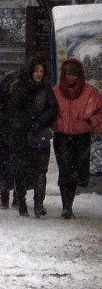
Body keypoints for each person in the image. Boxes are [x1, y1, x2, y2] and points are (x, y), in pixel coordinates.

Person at [0, 57, 59, 217]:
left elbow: (53, 108)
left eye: (41, 71)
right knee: (20, 171)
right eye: (36, 71)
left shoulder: (46, 89)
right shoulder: (20, 87)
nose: (39, 74)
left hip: (40, 136)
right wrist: (28, 121)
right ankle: (22, 203)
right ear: (30, 71)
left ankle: (38, 205)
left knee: (40, 172)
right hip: (21, 135)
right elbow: (14, 110)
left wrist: (41, 121)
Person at [52, 57, 102, 219]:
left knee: (76, 172)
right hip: (62, 137)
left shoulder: (90, 92)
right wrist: (55, 122)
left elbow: (99, 113)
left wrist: (90, 120)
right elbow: (48, 111)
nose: (70, 77)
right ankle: (66, 206)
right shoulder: (56, 92)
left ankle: (69, 203)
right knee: (65, 170)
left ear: (79, 75)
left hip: (82, 137)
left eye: (73, 74)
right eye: (67, 74)